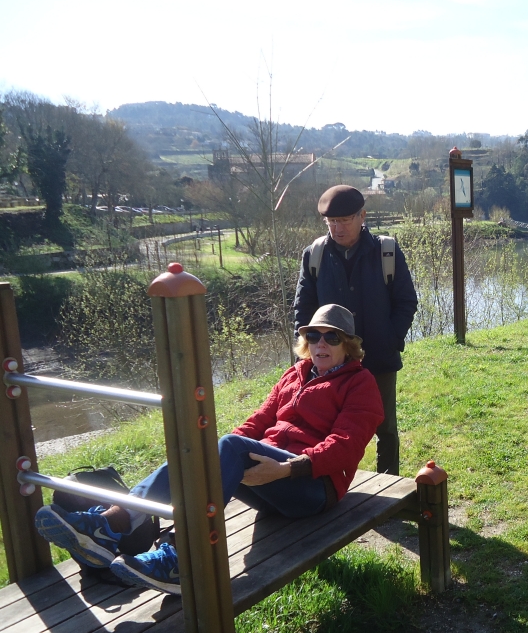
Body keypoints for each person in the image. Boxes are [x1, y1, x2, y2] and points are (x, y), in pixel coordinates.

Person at [34, 304, 384, 595]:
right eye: (313, 335)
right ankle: (114, 524)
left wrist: (287, 468)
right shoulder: (294, 375)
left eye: (332, 337)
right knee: (204, 452)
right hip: (267, 479)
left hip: (313, 487)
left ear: (348, 345)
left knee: (229, 447)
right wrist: (212, 456)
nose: (321, 343)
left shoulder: (359, 383)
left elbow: (345, 446)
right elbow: (257, 422)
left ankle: (175, 554)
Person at [293, 185, 417, 477]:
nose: (337, 228)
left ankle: (389, 486)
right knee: (329, 428)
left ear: (362, 216)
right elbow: (303, 310)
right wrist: (312, 351)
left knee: (385, 428)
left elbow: (406, 301)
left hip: (379, 358)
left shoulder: (386, 252)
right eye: (331, 222)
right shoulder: (315, 255)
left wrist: (390, 339)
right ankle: (332, 486)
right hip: (330, 363)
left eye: (344, 220)